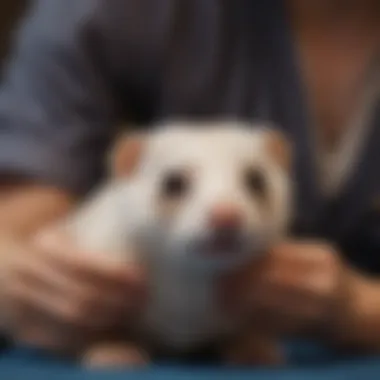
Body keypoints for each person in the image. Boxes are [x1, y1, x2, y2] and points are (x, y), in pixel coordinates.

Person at [0, 0, 380, 360]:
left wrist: (359, 309)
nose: (225, 213)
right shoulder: (102, 14)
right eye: (177, 187)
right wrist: (28, 280)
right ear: (127, 167)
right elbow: (20, 226)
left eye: (253, 183)